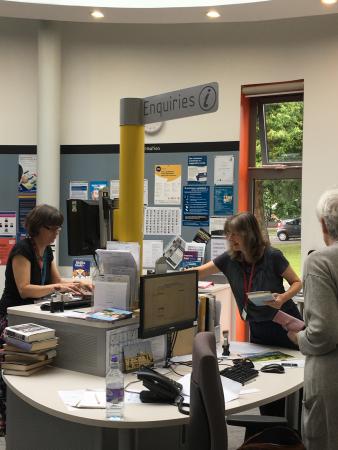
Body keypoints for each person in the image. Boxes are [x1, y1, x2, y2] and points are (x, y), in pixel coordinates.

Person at [196, 212, 302, 349]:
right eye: (228, 234)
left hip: (286, 326)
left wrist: (282, 298)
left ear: (250, 234)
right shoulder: (229, 259)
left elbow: (297, 282)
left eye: (234, 234)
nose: (229, 238)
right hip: (258, 327)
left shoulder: (272, 256)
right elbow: (198, 273)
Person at [288, 188, 338, 450]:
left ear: (323, 224)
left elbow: (324, 333)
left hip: (331, 377)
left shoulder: (320, 262)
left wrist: (299, 336)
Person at [0, 204, 90, 336]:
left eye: (58, 229)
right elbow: (24, 290)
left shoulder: (47, 250)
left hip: (32, 311)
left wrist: (79, 284)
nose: (56, 233)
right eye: (51, 229)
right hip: (13, 315)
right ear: (37, 227)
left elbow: (57, 281)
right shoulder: (23, 249)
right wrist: (57, 287)